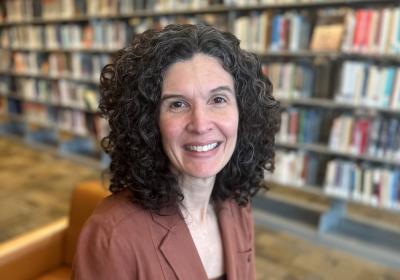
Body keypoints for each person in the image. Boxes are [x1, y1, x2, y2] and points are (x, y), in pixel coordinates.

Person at [72, 23, 280, 280]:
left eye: (218, 99)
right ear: (149, 122)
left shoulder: (237, 205)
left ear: (243, 113)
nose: (201, 124)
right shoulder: (113, 236)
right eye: (178, 104)